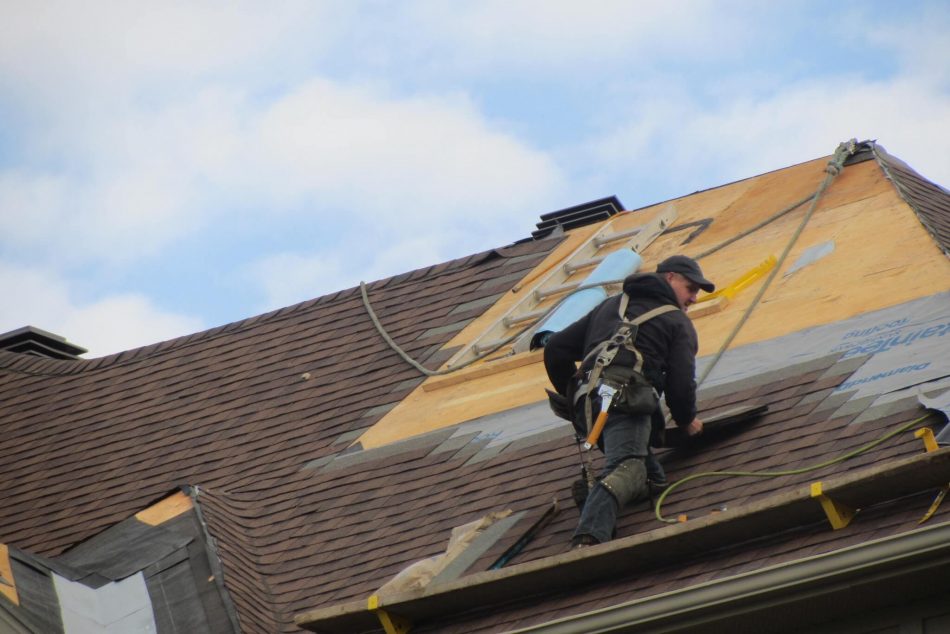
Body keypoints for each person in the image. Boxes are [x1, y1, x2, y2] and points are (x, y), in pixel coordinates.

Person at [543, 255, 714, 547]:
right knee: (628, 468)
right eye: (691, 288)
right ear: (670, 278)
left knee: (651, 478)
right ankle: (588, 540)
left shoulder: (611, 306)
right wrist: (686, 421)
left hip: (588, 406)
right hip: (624, 401)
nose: (694, 298)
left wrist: (576, 405)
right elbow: (680, 384)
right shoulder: (676, 321)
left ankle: (592, 494)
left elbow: (556, 349)